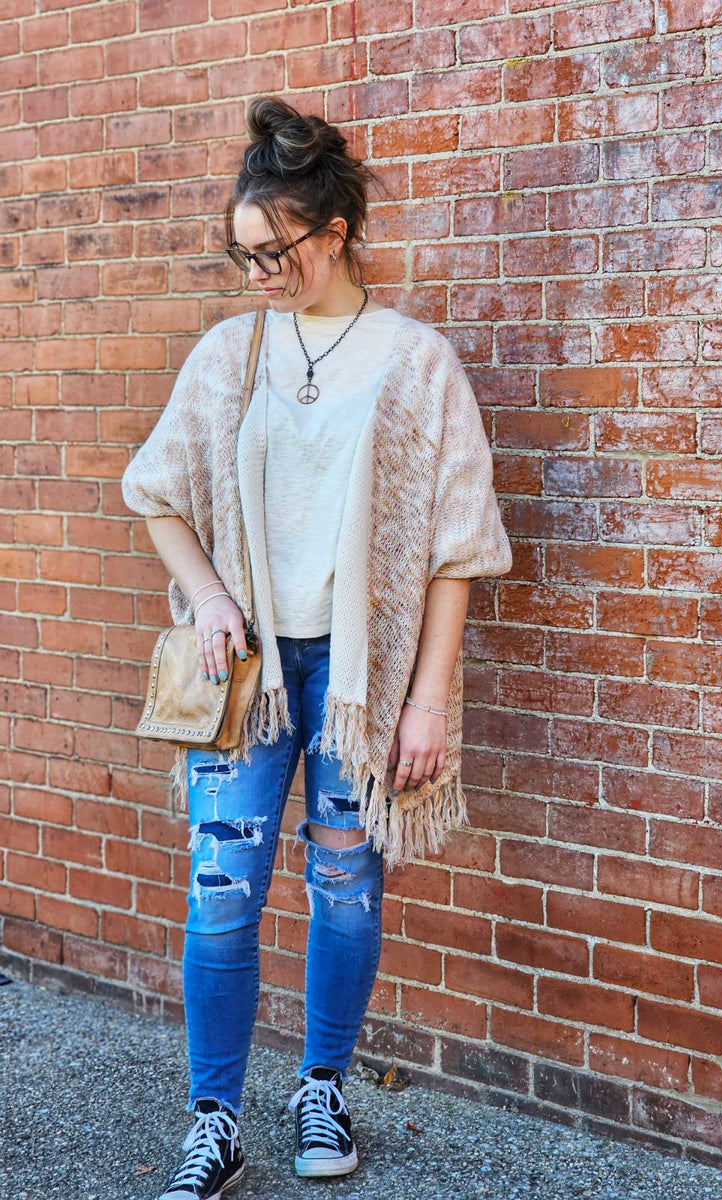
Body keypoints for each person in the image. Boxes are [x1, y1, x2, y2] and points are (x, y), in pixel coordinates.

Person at [120, 96, 512, 1200]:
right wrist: (203, 597)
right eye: (240, 255)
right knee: (221, 892)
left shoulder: (415, 362)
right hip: (243, 674)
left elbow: (457, 549)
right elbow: (154, 493)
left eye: (272, 252)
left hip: (358, 677)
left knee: (344, 889)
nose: (257, 275)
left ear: (333, 234)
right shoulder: (229, 353)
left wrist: (427, 700)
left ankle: (325, 1086)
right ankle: (215, 1120)